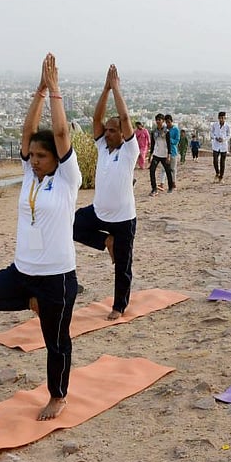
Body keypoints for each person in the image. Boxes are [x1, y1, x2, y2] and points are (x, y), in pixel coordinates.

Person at [0, 53, 81, 421]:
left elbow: (61, 133)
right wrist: (38, 92)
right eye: (31, 155)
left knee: (56, 342)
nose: (33, 160)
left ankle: (58, 396)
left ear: (56, 158)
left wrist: (55, 92)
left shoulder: (67, 181)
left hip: (56, 277)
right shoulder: (31, 177)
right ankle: (30, 299)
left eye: (41, 156)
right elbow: (26, 131)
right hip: (23, 271)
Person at [72, 65, 139, 321]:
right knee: (71, 224)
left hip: (122, 219)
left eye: (113, 130)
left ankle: (119, 306)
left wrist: (117, 90)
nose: (108, 133)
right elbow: (96, 119)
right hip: (99, 213)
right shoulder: (102, 148)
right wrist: (105, 89)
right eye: (107, 131)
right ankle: (104, 241)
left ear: (123, 133)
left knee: (123, 267)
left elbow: (124, 117)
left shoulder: (129, 151)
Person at [149, 113, 174, 196]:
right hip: (156, 154)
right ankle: (154, 188)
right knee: (152, 170)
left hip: (164, 155)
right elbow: (152, 144)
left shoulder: (166, 132)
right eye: (157, 120)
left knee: (168, 171)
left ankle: (170, 187)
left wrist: (169, 155)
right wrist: (150, 155)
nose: (158, 121)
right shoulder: (153, 132)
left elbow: (168, 144)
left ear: (163, 121)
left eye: (159, 120)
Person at [211, 111, 231, 182]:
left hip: (223, 146)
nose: (222, 119)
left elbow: (229, 135)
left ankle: (221, 177)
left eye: (223, 118)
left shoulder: (227, 126)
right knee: (215, 161)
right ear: (218, 118)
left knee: (222, 162)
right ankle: (217, 172)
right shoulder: (214, 125)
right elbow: (211, 133)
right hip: (216, 145)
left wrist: (224, 139)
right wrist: (215, 137)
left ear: (225, 118)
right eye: (220, 118)